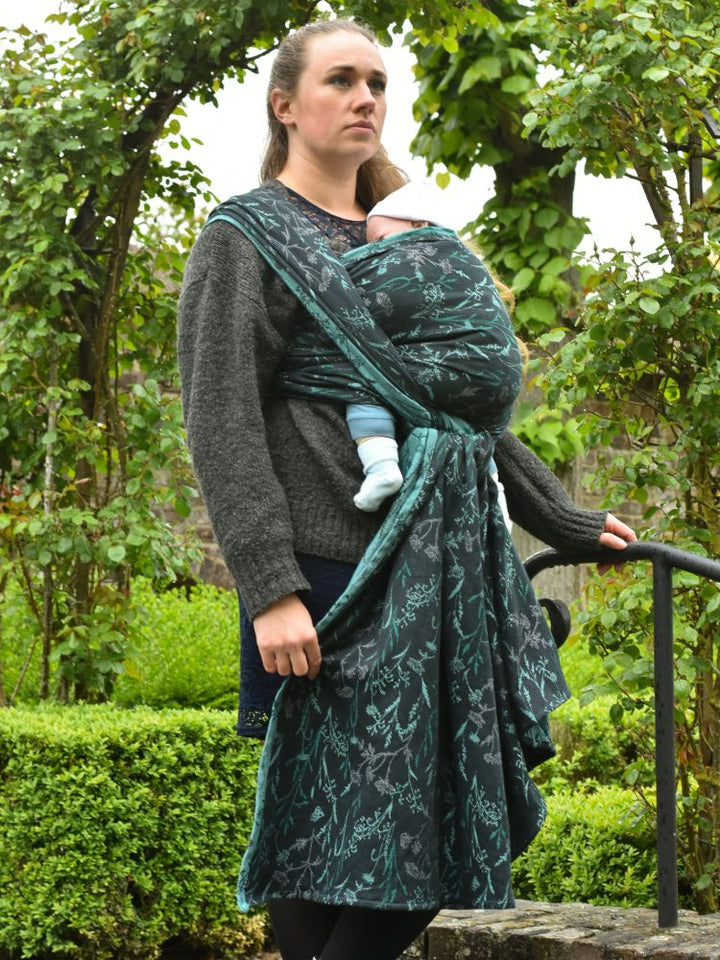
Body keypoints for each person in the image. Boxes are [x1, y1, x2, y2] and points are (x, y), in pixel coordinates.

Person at [176, 18, 636, 960]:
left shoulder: (411, 231)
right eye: (342, 80)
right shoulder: (245, 236)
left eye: (378, 83)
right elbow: (221, 418)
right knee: (329, 822)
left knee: (419, 817)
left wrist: (561, 519)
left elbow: (459, 402)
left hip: (436, 564)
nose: (366, 98)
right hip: (321, 574)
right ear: (284, 105)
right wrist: (268, 587)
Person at [344, 180, 512, 526]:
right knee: (474, 434)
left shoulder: (417, 259)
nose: (373, 251)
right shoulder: (473, 266)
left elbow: (347, 298)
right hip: (497, 384)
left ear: (419, 225)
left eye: (380, 240)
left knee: (364, 379)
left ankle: (381, 466)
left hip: (441, 373)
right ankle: (495, 494)